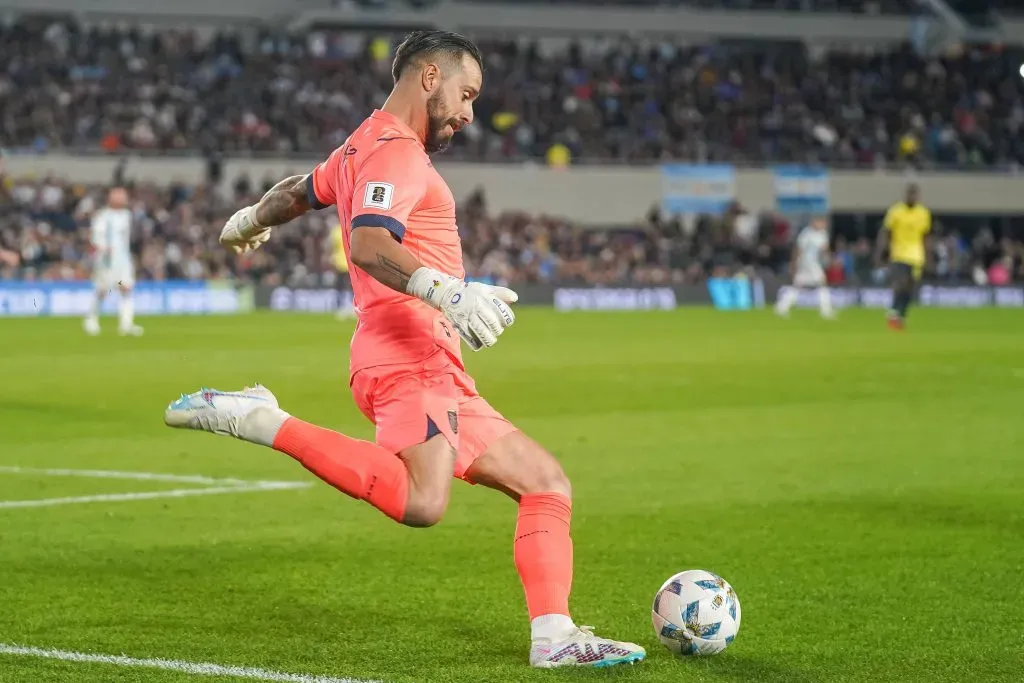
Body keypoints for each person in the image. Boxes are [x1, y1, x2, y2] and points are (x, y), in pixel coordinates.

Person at [164, 30, 645, 669]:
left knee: (545, 483)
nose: (470, 112)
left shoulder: (360, 145)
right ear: (428, 77)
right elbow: (367, 244)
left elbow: (298, 191)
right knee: (423, 502)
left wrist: (251, 219)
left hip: (430, 359)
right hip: (406, 349)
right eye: (466, 93)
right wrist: (446, 291)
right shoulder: (397, 153)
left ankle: (554, 637)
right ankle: (261, 419)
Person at [84, 186, 143, 336]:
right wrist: (103, 248)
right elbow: (96, 237)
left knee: (126, 288)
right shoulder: (103, 216)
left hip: (123, 259)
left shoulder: (127, 215)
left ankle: (126, 324)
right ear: (111, 198)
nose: (124, 199)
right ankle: (91, 319)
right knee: (102, 289)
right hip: (106, 259)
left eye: (124, 196)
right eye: (120, 196)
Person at [876, 183, 931, 330]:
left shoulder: (923, 213)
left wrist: (928, 256)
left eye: (915, 195)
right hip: (898, 254)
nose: (912, 197)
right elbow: (886, 231)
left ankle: (900, 315)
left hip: (916, 256)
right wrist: (881, 252)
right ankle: (894, 312)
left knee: (910, 289)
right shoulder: (896, 211)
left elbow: (925, 236)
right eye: (910, 195)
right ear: (906, 195)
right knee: (900, 284)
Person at [774, 215, 835, 319]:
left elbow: (824, 249)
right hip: (806, 263)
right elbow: (798, 249)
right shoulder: (806, 234)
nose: (822, 225)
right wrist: (794, 264)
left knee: (797, 286)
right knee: (822, 283)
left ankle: (781, 307)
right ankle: (826, 311)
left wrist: (828, 257)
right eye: (820, 222)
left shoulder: (822, 234)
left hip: (814, 263)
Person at [329, 220, 356, 320]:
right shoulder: (350, 227)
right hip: (343, 262)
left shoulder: (336, 230)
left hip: (347, 262)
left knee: (345, 287)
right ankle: (342, 307)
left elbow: (332, 247)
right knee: (343, 287)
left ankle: (347, 308)